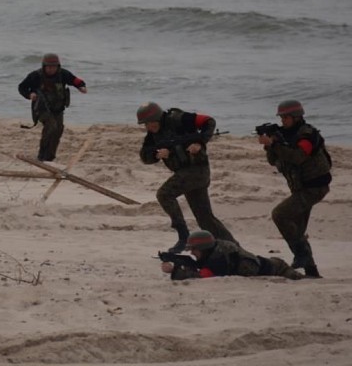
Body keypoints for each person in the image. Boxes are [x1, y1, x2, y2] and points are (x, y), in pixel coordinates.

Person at [138, 102, 237, 253]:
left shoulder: (179, 118)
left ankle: (183, 236)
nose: (147, 127)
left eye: (148, 123)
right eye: (145, 124)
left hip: (198, 169)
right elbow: (145, 157)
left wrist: (199, 142)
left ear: (157, 118)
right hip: (185, 174)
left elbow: (209, 121)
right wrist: (157, 154)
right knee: (205, 218)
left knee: (164, 194)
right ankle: (233, 248)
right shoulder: (153, 136)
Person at [257, 100, 331, 278]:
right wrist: (270, 144)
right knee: (297, 230)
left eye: (286, 117)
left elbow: (298, 157)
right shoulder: (285, 135)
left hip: (314, 187)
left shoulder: (306, 135)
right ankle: (311, 271)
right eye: (281, 117)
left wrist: (274, 144)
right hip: (301, 188)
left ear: (296, 117)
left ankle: (301, 256)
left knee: (280, 215)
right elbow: (273, 160)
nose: (283, 120)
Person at [17, 53, 87, 162]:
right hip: (41, 109)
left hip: (58, 109)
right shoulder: (35, 76)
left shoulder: (63, 74)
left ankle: (50, 157)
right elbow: (22, 87)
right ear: (44, 66)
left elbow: (75, 80)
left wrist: (81, 86)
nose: (51, 69)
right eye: (48, 66)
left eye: (53, 67)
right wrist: (30, 95)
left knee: (58, 130)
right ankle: (41, 155)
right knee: (51, 126)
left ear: (57, 66)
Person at [160, 231, 305, 281]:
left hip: (279, 269)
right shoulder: (214, 252)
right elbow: (200, 265)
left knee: (303, 281)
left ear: (203, 249)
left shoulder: (219, 260)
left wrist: (174, 271)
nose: (191, 253)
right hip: (273, 265)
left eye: (194, 249)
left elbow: (201, 277)